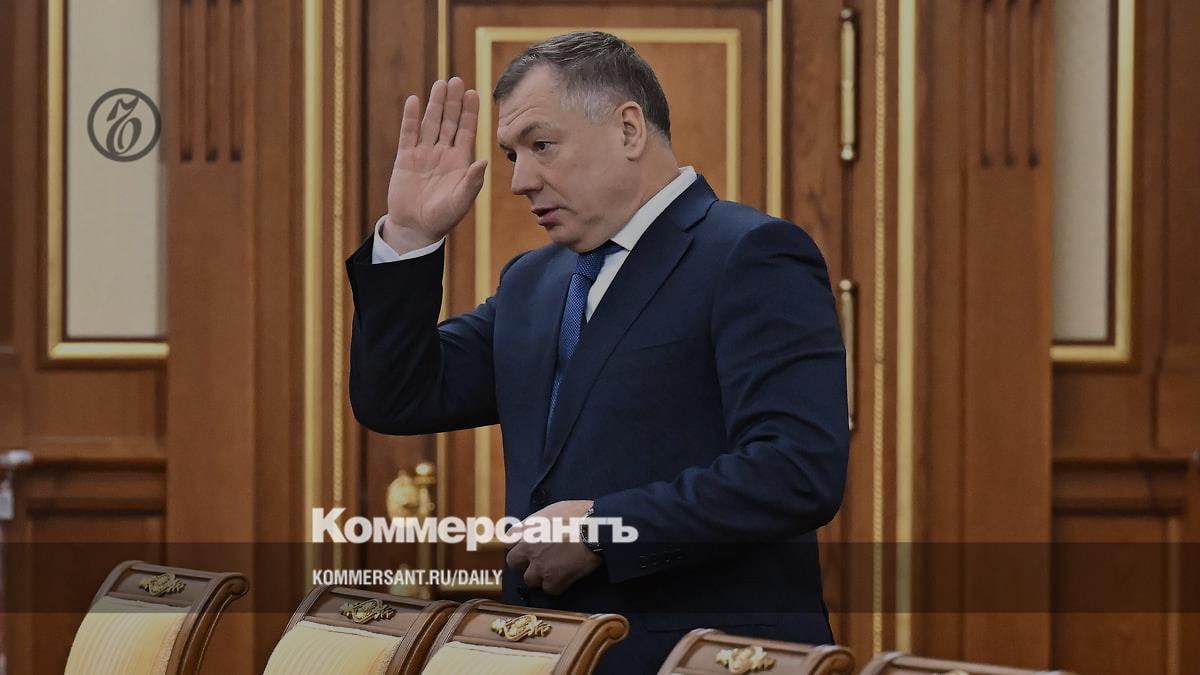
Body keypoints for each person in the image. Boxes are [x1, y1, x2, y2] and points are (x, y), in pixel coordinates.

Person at [346, 31, 849, 672]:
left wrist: (603, 530)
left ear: (629, 129)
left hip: (700, 657)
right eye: (511, 155)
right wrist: (409, 235)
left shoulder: (750, 254)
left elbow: (797, 469)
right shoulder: (534, 280)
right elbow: (399, 397)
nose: (519, 181)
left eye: (541, 146)